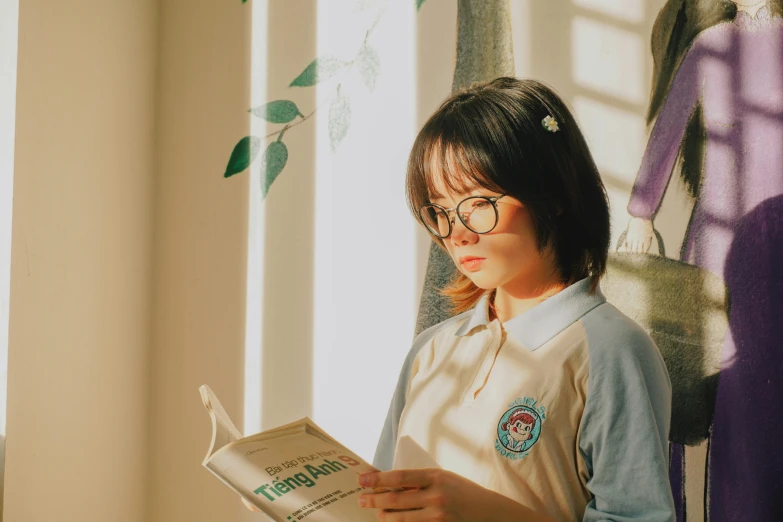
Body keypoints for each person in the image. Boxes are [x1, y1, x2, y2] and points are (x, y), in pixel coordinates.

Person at [359, 77, 676, 521]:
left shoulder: (611, 350)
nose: (458, 233)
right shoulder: (429, 350)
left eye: (477, 202)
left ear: (553, 194)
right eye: (440, 211)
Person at [620, 1, 783, 520]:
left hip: (775, 237)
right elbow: (667, 132)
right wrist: (641, 214)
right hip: (720, 247)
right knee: (730, 401)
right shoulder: (708, 48)